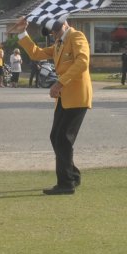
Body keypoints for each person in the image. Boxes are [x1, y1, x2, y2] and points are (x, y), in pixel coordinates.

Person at [13, 14, 92, 195]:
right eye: (52, 32)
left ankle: (66, 183)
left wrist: (60, 82)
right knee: (55, 136)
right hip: (65, 98)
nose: (54, 34)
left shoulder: (77, 36)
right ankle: (72, 175)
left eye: (56, 30)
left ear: (64, 24)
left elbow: (82, 62)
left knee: (63, 139)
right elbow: (36, 53)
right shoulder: (58, 44)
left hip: (77, 96)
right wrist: (22, 32)